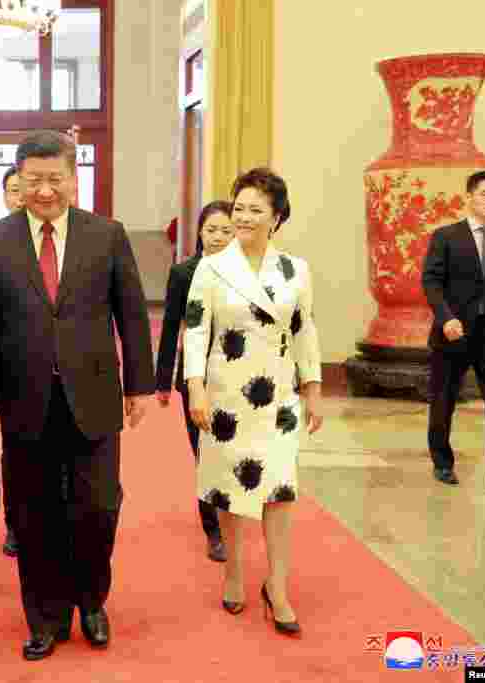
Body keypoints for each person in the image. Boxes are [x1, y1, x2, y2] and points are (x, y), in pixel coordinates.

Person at [0, 130, 155, 660]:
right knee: (33, 513)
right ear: (18, 180)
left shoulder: (107, 235)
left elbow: (132, 314)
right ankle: (44, 617)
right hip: (24, 399)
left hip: (94, 394)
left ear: (73, 179)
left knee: (97, 508)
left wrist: (139, 383)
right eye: (34, 180)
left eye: (55, 179)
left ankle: (91, 601)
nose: (45, 191)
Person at [184, 167, 322, 637]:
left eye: (254, 210)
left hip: (280, 395)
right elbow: (197, 328)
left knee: (281, 490)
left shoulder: (295, 269)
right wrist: (195, 387)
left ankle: (277, 584)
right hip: (227, 393)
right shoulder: (212, 266)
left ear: (276, 217)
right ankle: (234, 571)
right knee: (230, 486)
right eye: (238, 207)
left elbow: (304, 329)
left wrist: (314, 387)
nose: (243, 217)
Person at [155, 201, 234, 562]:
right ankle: (213, 530)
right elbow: (171, 327)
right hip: (195, 375)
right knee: (204, 452)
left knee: (230, 449)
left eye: (226, 231)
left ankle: (233, 513)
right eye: (211, 230)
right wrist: (161, 380)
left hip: (236, 374)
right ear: (199, 233)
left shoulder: (244, 273)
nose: (218, 237)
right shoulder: (184, 273)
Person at [422, 170, 485, 491]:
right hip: (453, 333)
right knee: (444, 401)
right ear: (469, 197)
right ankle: (442, 463)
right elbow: (430, 281)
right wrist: (446, 318)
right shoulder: (446, 236)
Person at [0, 164, 22, 558]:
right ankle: (16, 523)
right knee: (16, 453)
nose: (23, 195)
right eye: (15, 189)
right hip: (10, 371)